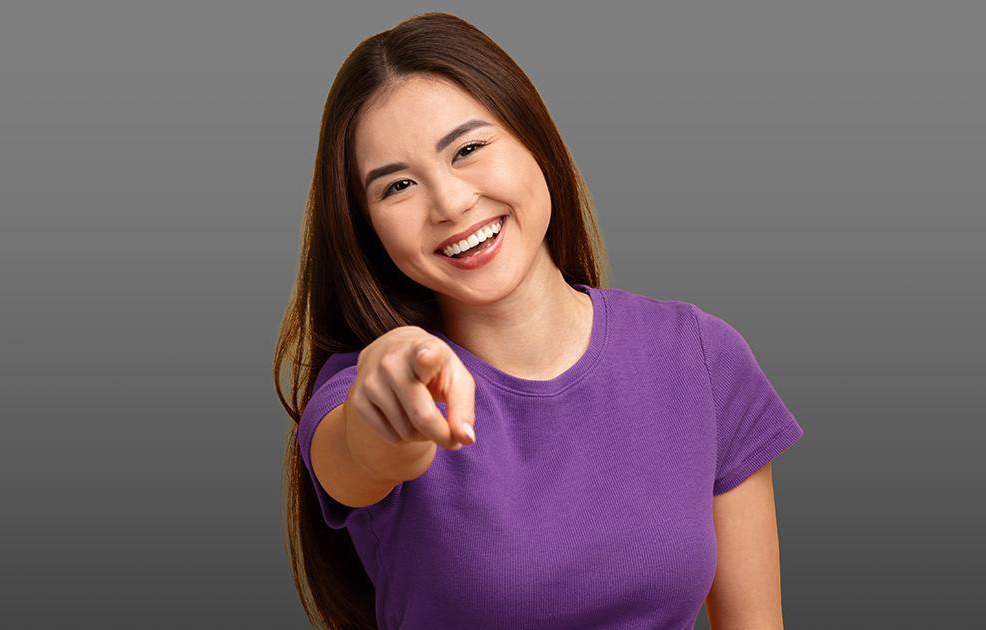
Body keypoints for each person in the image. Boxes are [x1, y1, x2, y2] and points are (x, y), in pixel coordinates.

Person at [275, 12, 804, 630]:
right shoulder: (360, 391)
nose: (450, 203)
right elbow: (361, 454)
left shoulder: (700, 357)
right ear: (368, 230)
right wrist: (385, 409)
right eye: (397, 187)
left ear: (534, 139)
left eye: (468, 149)